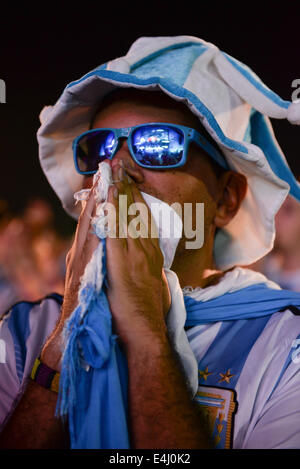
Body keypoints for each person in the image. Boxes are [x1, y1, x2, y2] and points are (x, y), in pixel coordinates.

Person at [1, 36, 300, 450]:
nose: (118, 168)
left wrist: (145, 332)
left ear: (226, 199)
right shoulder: (22, 335)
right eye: (99, 149)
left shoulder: (286, 350)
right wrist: (67, 336)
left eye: (157, 145)